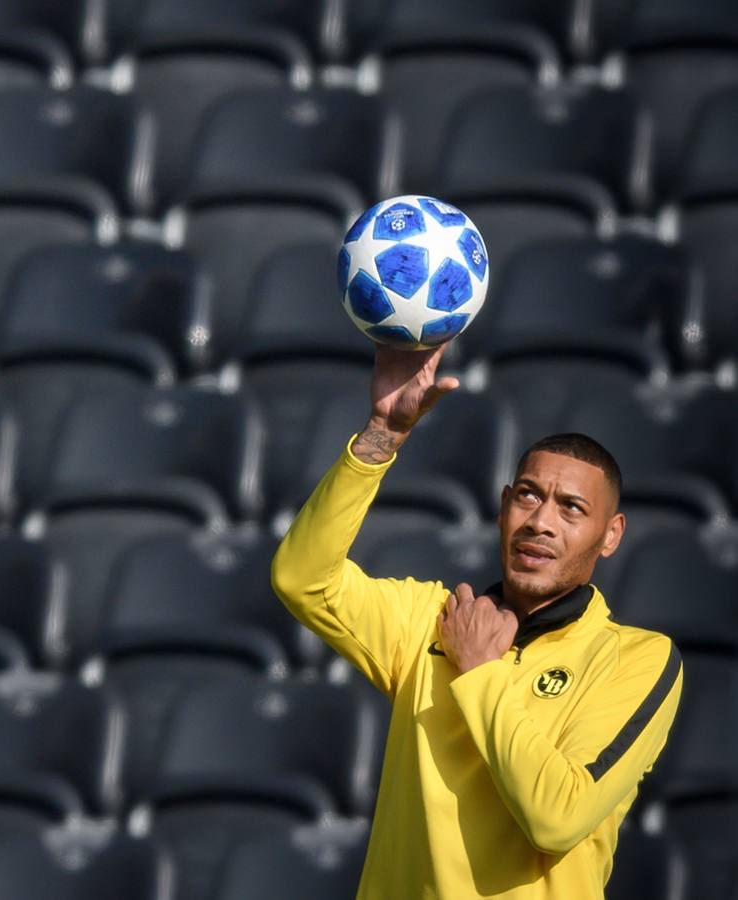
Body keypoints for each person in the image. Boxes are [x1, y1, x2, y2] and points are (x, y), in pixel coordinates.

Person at [271, 343, 683, 900]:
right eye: (529, 497)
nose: (541, 522)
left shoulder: (638, 658)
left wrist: (480, 673)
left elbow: (557, 817)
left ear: (611, 536)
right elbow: (301, 578)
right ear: (504, 505)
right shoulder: (429, 620)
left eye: (572, 508)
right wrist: (381, 435)